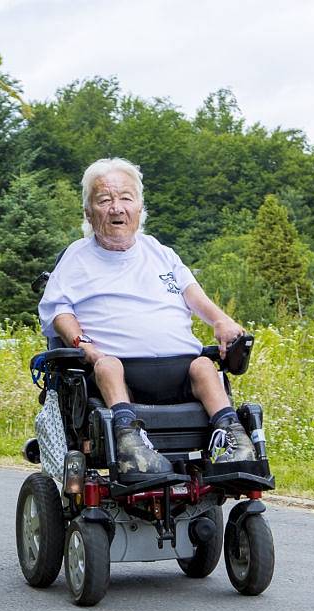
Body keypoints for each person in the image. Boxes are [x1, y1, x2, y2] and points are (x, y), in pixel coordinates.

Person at [38, 157, 256, 479]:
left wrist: (221, 321)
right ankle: (130, 444)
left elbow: (193, 294)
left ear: (140, 207)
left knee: (204, 366)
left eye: (126, 198)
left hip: (180, 366)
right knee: (107, 366)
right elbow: (59, 311)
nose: (116, 208)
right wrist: (82, 343)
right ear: (88, 212)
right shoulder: (76, 257)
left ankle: (233, 438)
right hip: (120, 368)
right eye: (104, 200)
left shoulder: (160, 252)